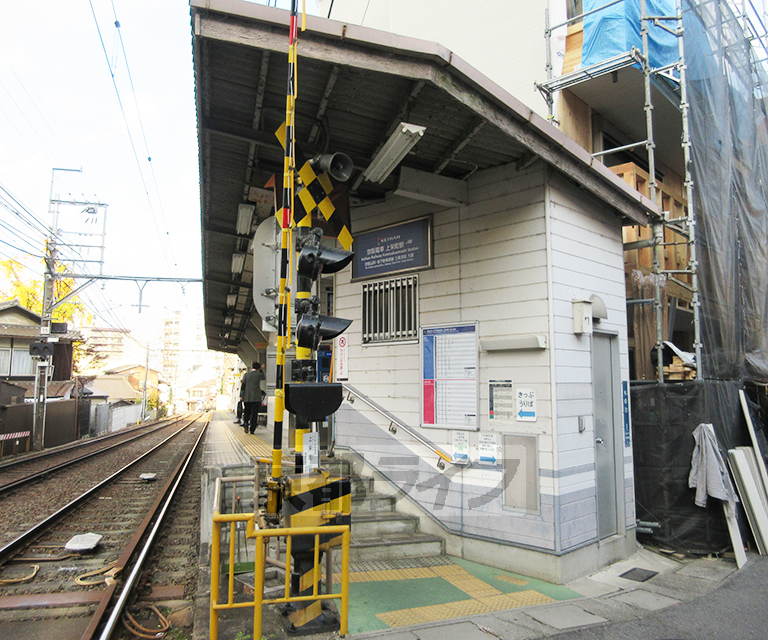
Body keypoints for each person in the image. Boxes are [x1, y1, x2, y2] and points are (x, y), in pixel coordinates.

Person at [241, 361, 265, 434]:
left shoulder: (246, 375)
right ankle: (252, 429)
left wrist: (241, 396)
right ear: (258, 368)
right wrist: (261, 369)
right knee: (254, 413)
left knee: (247, 411)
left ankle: (245, 423)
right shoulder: (259, 374)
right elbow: (264, 377)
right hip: (256, 397)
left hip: (247, 397)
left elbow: (243, 386)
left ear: (252, 367)